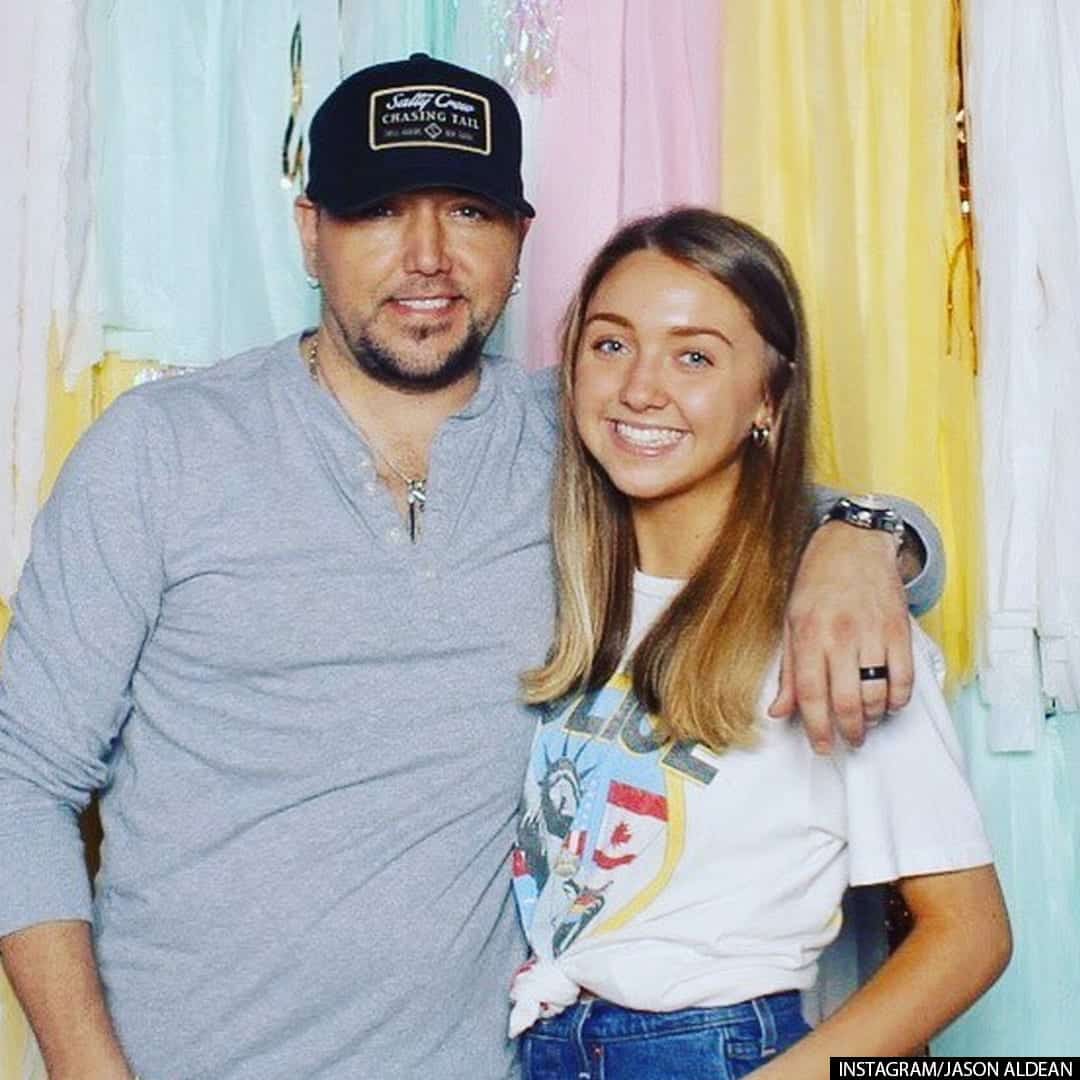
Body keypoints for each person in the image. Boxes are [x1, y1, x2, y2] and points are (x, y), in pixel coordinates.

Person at [0, 55, 943, 1080]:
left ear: (521, 239)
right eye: (380, 212)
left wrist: (864, 541)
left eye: (468, 213)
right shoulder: (160, 448)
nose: (428, 258)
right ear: (311, 232)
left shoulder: (589, 436)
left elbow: (775, 499)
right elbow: (22, 779)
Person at [508, 209, 1011, 1078]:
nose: (640, 389)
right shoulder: (566, 594)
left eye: (695, 356)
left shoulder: (839, 628)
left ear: (768, 400)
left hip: (711, 1049)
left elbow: (969, 933)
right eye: (610, 344)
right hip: (549, 1040)